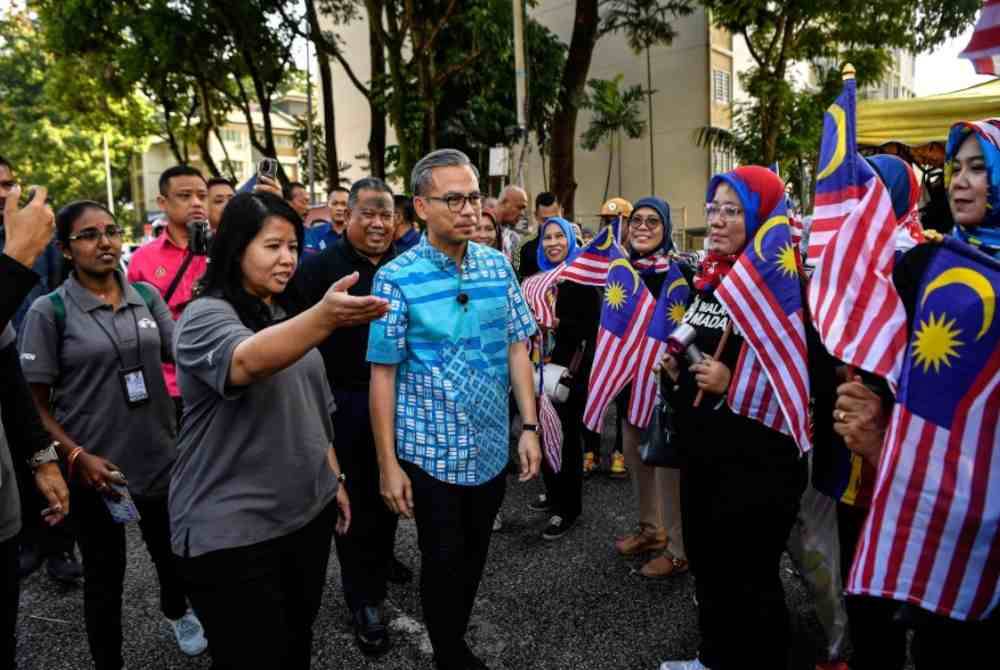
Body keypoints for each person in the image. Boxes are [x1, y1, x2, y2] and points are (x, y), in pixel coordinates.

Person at [170, 191, 386, 669]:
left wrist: (335, 480)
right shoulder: (205, 315)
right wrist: (324, 317)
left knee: (294, 646)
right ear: (235, 249)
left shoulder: (282, 314)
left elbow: (316, 409)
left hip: (303, 519)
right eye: (273, 246)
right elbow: (247, 361)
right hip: (231, 534)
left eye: (293, 246)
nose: (287, 258)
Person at [834, 120, 1000, 668]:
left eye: (980, 168)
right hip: (928, 507)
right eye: (957, 167)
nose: (961, 181)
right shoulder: (924, 265)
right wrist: (876, 426)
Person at [368, 149, 541, 670]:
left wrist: (529, 426)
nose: (469, 210)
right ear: (420, 206)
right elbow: (383, 373)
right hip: (429, 453)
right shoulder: (395, 278)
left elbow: (517, 346)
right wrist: (387, 465)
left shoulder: (497, 266)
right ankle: (448, 650)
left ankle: (453, 634)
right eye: (453, 199)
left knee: (473, 558)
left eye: (473, 197)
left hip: (490, 447)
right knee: (442, 560)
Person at [19, 200, 207, 668]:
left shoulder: (146, 296)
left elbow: (184, 353)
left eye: (111, 231)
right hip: (98, 471)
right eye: (88, 235)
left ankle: (177, 610)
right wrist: (77, 456)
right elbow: (32, 405)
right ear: (65, 249)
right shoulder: (51, 310)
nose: (104, 241)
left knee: (173, 556)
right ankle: (110, 661)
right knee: (106, 577)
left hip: (161, 457)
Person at [658, 168, 821, 670]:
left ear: (761, 219)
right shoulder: (710, 278)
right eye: (713, 208)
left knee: (749, 576)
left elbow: (800, 377)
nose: (718, 220)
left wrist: (734, 383)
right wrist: (671, 369)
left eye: (733, 210)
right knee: (709, 567)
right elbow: (694, 346)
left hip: (756, 461)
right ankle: (714, 657)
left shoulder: (786, 289)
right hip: (705, 452)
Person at [295, 177, 411, 657]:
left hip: (402, 400)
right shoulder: (319, 269)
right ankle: (363, 599)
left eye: (387, 214)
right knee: (354, 501)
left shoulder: (408, 267)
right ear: (348, 217)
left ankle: (382, 559)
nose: (379, 223)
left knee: (392, 490)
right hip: (342, 402)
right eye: (369, 213)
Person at [0, 156, 79, 584]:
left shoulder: (38, 241)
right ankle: (27, 538)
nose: (3, 192)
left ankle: (60, 547)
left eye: (9, 183)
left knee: (47, 451)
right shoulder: (19, 244)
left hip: (37, 360)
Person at [612, 197, 689, 579]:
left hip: (666, 386)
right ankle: (651, 529)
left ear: (667, 228)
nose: (642, 227)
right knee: (634, 455)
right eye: (636, 220)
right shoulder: (621, 270)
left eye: (653, 222)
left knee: (666, 466)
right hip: (630, 384)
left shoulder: (680, 272)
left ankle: (678, 549)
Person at [531, 216, 602, 540]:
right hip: (538, 368)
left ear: (571, 241)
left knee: (568, 437)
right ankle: (553, 492)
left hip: (570, 372)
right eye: (548, 237)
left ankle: (568, 507)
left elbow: (591, 328)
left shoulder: (581, 279)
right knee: (543, 431)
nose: (554, 243)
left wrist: (555, 321)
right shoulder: (537, 280)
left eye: (560, 236)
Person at [127, 165, 210, 423]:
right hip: (166, 384)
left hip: (215, 374)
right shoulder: (142, 259)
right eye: (185, 196)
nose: (196, 203)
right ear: (162, 202)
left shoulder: (223, 250)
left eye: (202, 195)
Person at [515, 191, 562, 280]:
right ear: (536, 216)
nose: (550, 224)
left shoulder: (576, 243)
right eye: (545, 220)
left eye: (555, 219)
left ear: (561, 213)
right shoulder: (525, 247)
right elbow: (520, 283)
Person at [305, 186, 350, 255]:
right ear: (328, 205)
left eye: (344, 204)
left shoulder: (357, 235)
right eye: (334, 204)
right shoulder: (313, 234)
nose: (339, 208)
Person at [494, 184, 528, 261]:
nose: (522, 213)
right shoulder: (481, 232)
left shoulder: (514, 238)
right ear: (504, 202)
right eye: (519, 207)